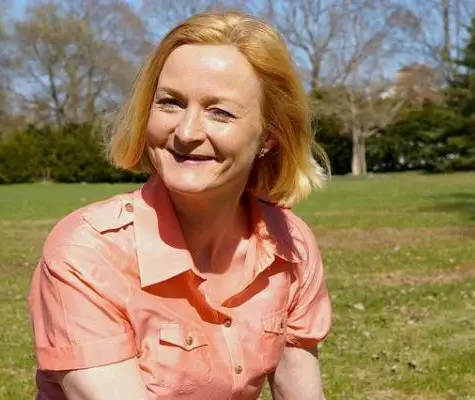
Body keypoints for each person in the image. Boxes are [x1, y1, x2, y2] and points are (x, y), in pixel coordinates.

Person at [28, 10, 333, 400]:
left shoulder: (291, 246)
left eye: (220, 112)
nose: (186, 133)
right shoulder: (87, 252)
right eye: (170, 103)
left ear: (269, 137)